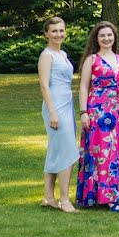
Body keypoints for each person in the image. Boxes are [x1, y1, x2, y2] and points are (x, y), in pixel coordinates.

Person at [76, 21, 119, 212]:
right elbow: (83, 86)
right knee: (98, 151)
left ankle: (112, 194)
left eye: (109, 35)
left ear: (114, 37)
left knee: (114, 153)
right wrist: (83, 112)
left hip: (116, 111)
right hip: (97, 110)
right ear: (96, 39)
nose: (106, 38)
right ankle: (99, 196)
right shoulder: (92, 59)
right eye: (102, 36)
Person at [38, 16, 78, 213]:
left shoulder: (62, 53)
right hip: (55, 107)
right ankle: (64, 199)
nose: (58, 34)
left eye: (61, 30)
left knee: (55, 150)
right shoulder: (47, 55)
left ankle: (48, 197)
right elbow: (44, 86)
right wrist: (53, 112)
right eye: (54, 31)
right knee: (68, 151)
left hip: (66, 104)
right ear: (46, 33)